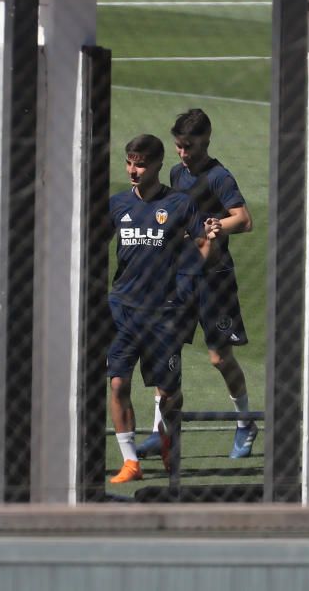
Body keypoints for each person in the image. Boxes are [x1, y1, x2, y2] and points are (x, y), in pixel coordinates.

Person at [136, 108, 257, 460]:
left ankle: (245, 422)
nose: (182, 153)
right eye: (178, 146)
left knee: (220, 359)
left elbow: (244, 219)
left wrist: (218, 224)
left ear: (206, 140)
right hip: (181, 275)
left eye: (189, 146)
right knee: (165, 350)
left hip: (215, 279)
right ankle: (162, 432)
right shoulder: (176, 172)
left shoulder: (220, 177)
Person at [107, 134, 215, 484]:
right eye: (129, 162)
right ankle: (130, 462)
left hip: (164, 314)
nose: (133, 170)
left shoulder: (180, 204)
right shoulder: (118, 204)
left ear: (156, 165)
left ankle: (167, 441)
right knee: (118, 383)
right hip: (124, 310)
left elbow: (203, 243)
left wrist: (186, 287)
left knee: (168, 392)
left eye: (140, 163)